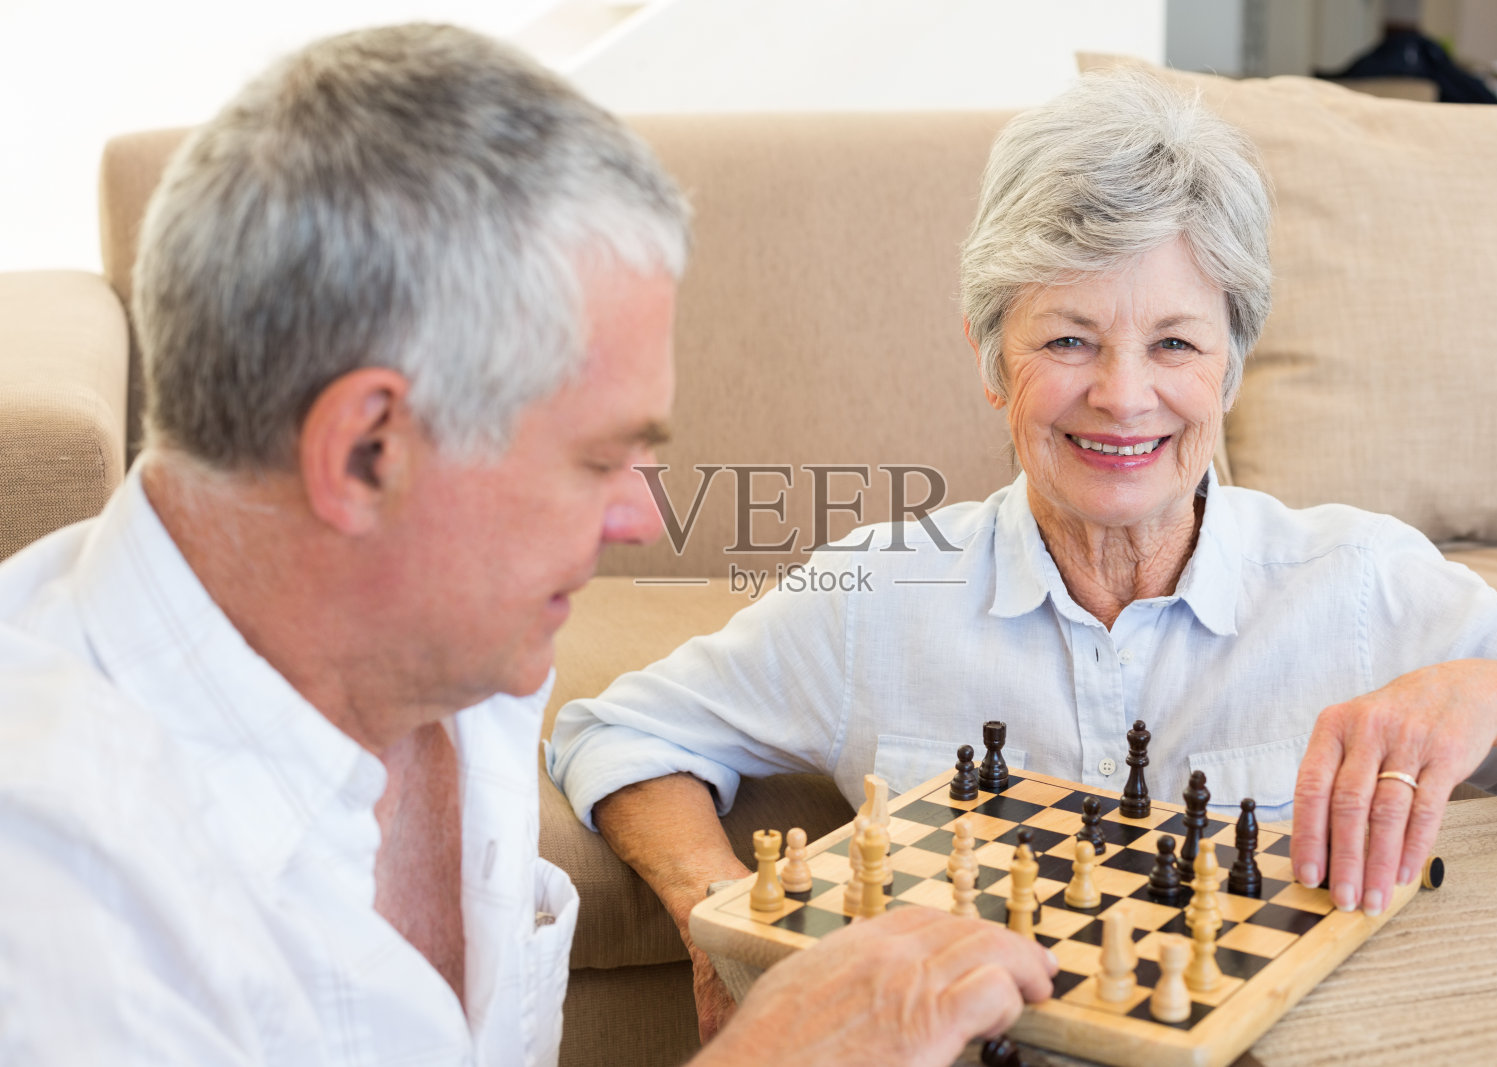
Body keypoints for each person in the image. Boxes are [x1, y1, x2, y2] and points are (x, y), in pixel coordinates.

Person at [0, 23, 1057, 1065]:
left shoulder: (460, 665)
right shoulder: (57, 897)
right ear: (368, 451)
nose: (643, 515)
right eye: (598, 457)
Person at [547, 69, 1497, 1037]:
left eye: (1175, 342)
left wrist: (1496, 694)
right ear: (988, 357)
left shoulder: (1359, 584)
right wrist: (717, 916)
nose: (1123, 395)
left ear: (1231, 367)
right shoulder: (878, 593)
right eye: (1067, 339)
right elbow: (620, 731)